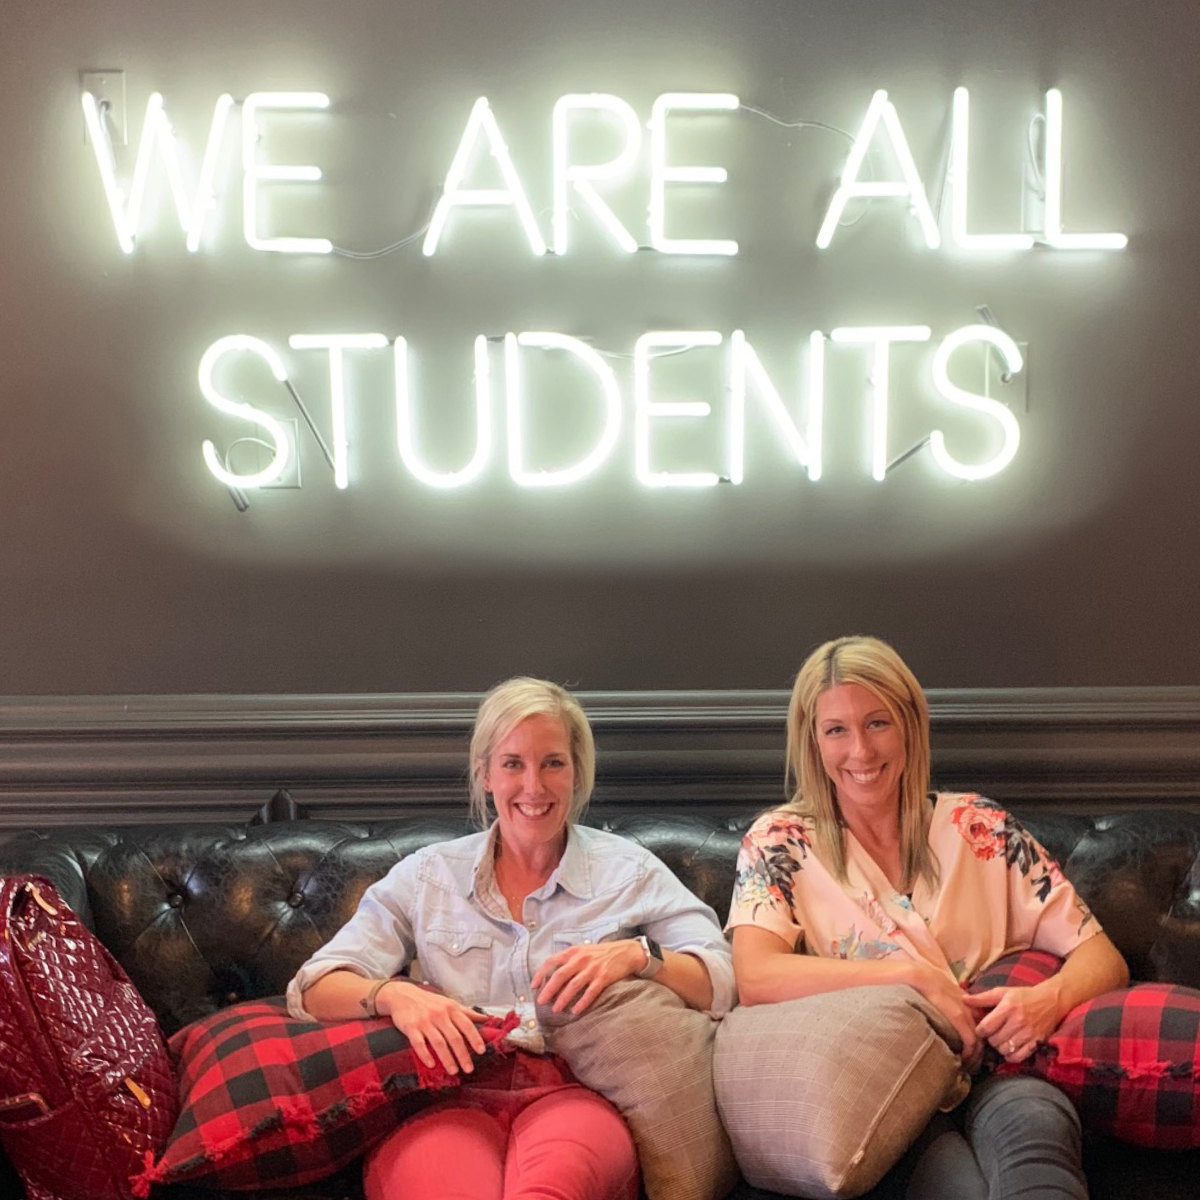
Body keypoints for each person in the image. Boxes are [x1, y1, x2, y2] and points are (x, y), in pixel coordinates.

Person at [288, 676, 736, 1200]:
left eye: (553, 762)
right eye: (513, 764)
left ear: (577, 772)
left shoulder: (628, 871)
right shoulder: (428, 876)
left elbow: (723, 980)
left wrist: (639, 956)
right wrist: (394, 995)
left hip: (574, 1096)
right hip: (447, 1098)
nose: (534, 787)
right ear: (484, 775)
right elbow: (314, 986)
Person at [727, 636, 1129, 1200]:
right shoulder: (781, 843)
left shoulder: (980, 827)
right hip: (886, 1086)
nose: (860, 752)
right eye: (835, 730)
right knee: (955, 1183)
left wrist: (1049, 1000)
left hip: (1000, 1070)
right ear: (812, 742)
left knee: (1037, 1140)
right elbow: (755, 976)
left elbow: (1102, 957)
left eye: (877, 723)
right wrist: (911, 977)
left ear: (911, 725)